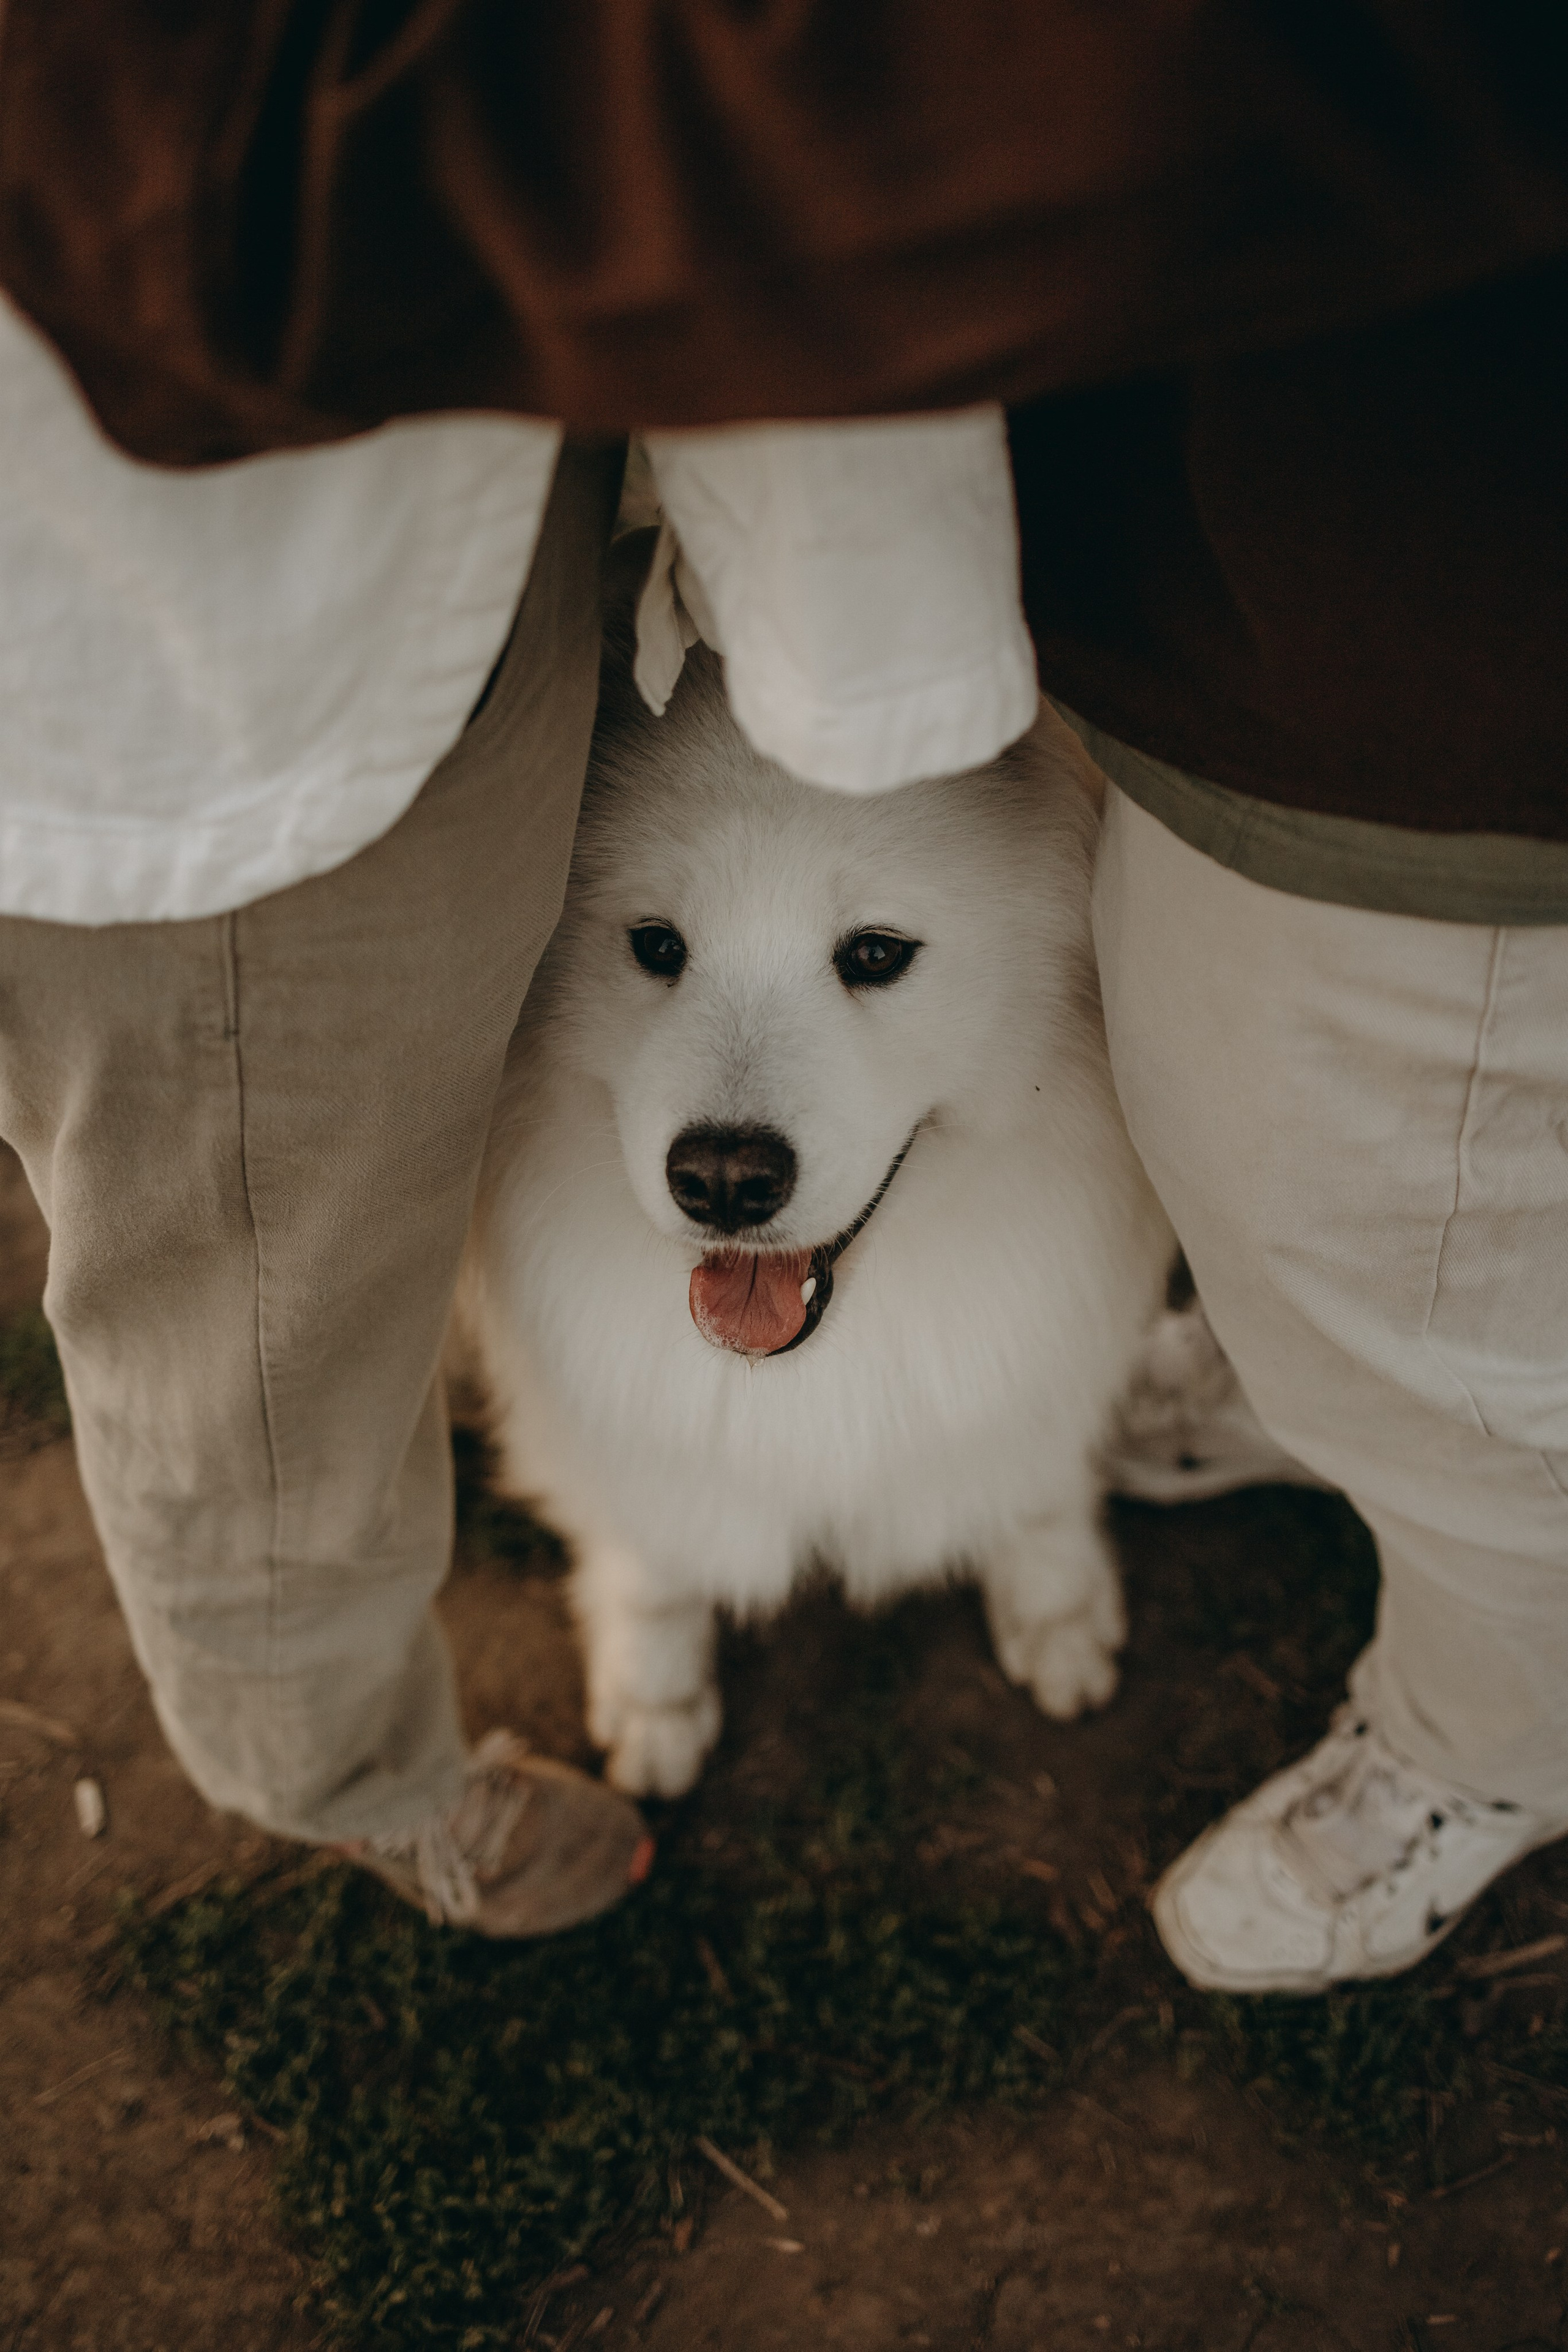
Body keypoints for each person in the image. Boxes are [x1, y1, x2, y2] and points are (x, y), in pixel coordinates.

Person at [0, 1, 1565, 1984]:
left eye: (877, 958)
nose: (727, 1126)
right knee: (577, 1449)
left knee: (1067, 1414)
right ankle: (641, 1598)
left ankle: (1043, 1521)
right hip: (206, 585)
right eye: (652, 950)